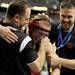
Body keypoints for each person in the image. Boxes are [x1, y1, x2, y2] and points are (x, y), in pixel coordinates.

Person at [0, 0, 51, 75]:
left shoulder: (2, 30)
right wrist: (43, 45)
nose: (28, 22)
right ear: (16, 18)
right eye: (27, 19)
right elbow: (37, 67)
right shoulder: (23, 39)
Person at [47, 1, 75, 75]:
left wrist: (58, 60)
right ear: (59, 14)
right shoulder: (52, 28)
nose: (66, 20)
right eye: (63, 16)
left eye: (69, 16)